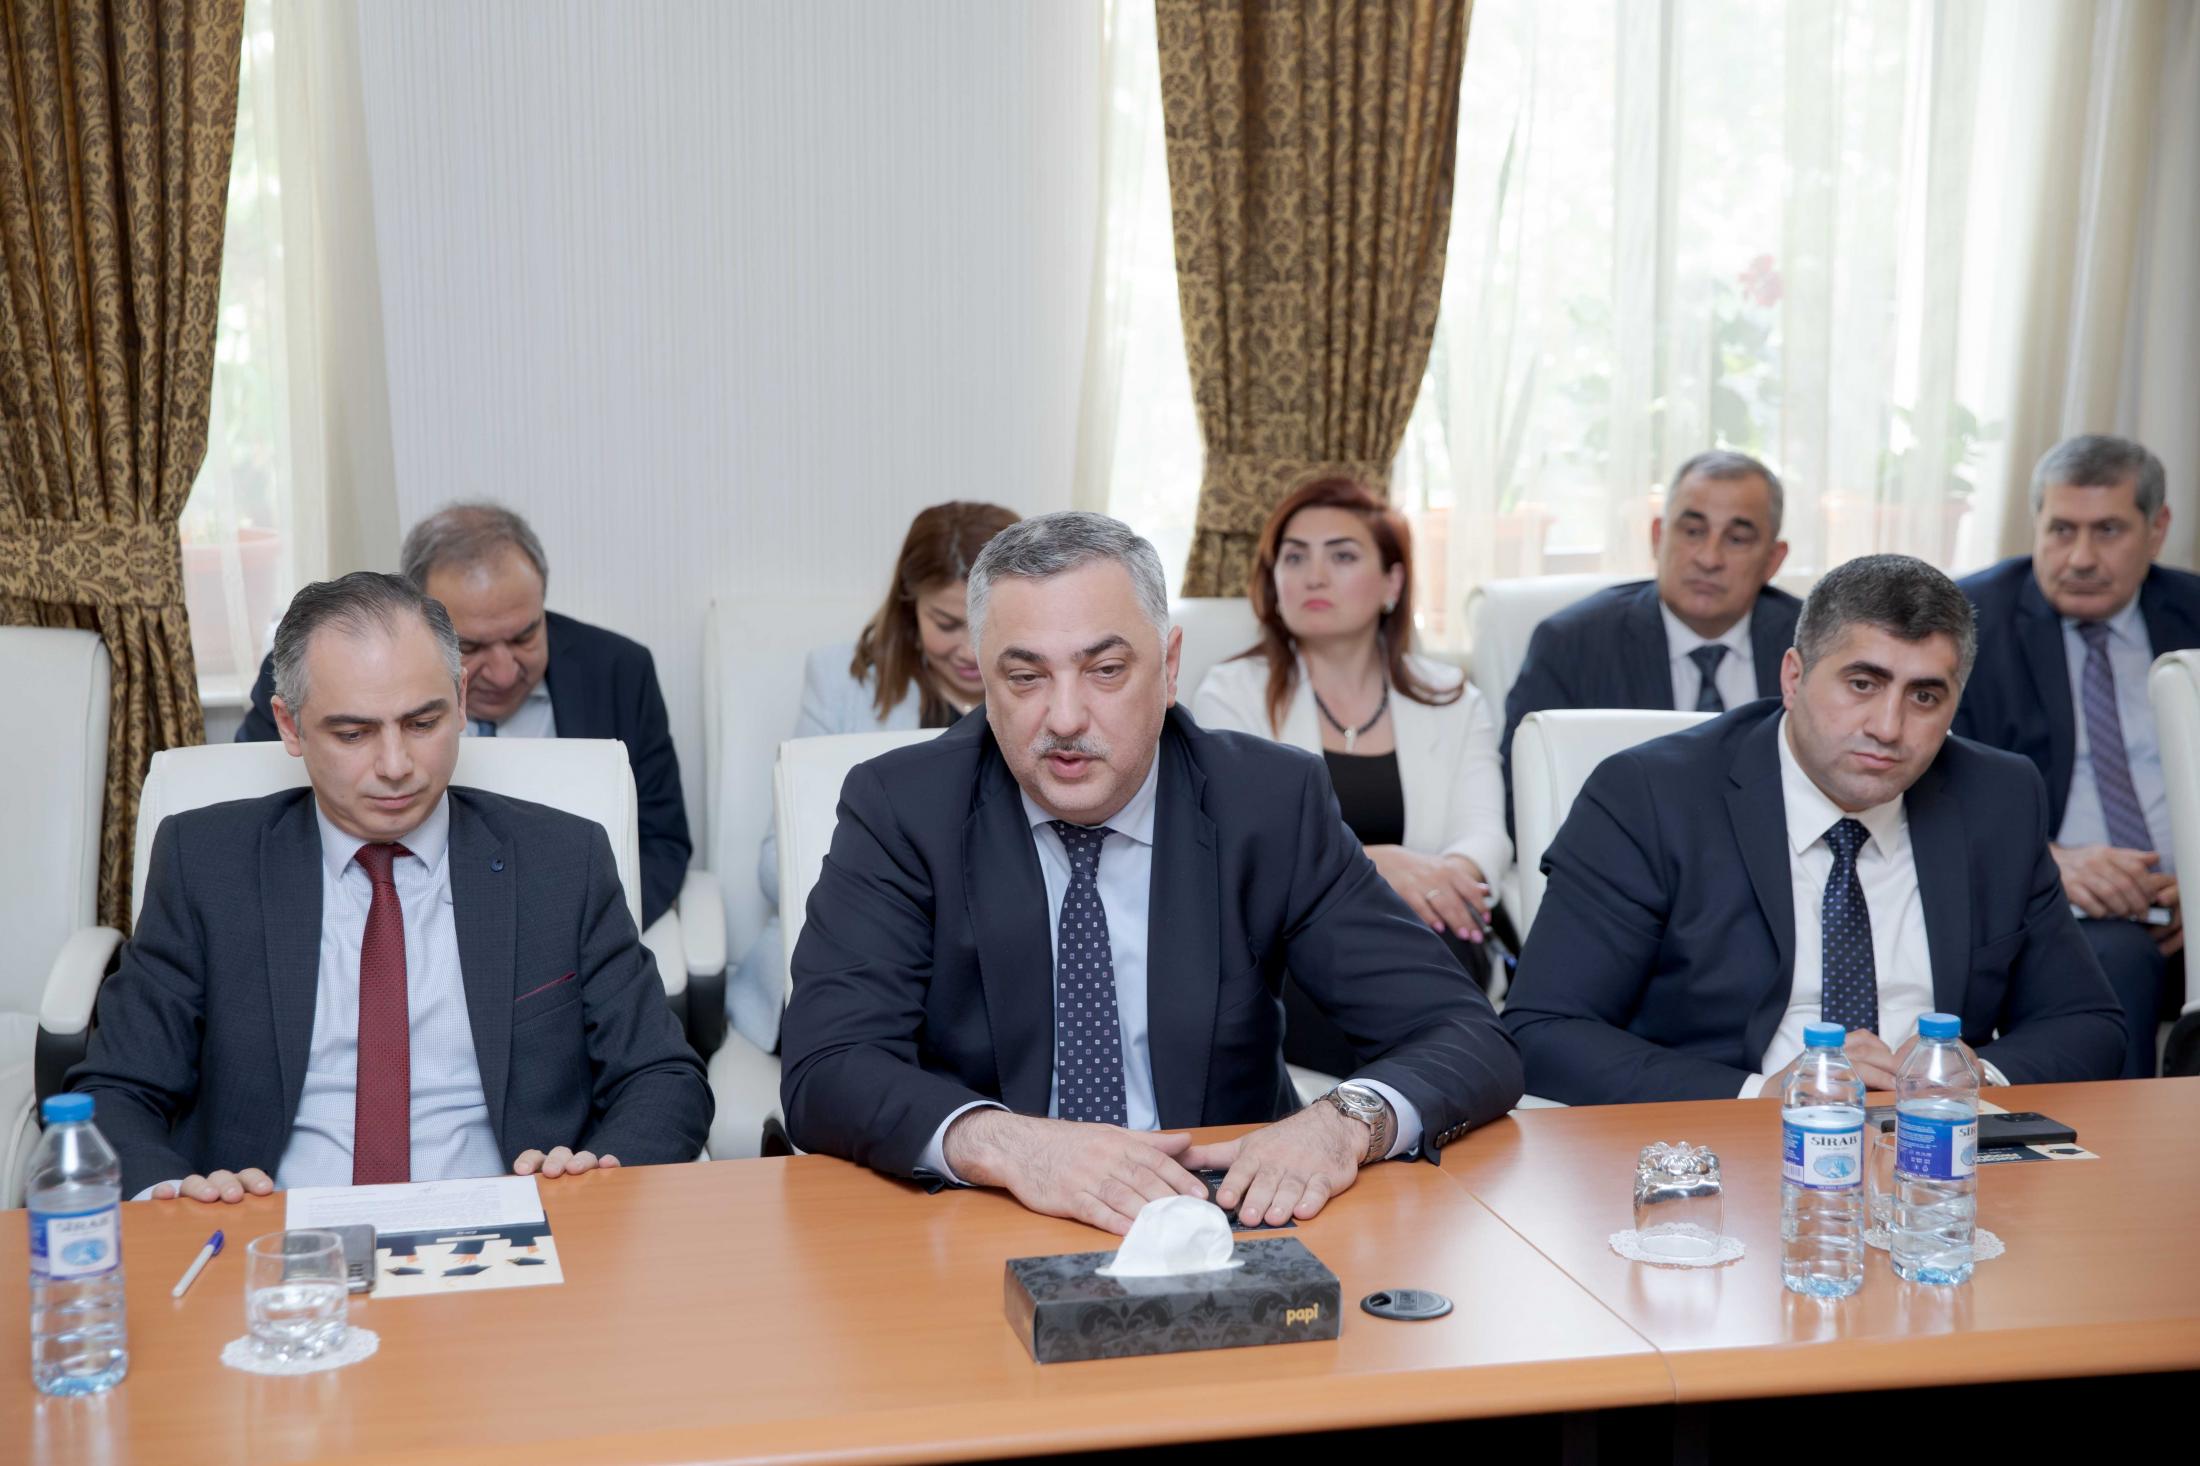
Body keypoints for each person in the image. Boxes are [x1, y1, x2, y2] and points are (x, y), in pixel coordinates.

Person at [780, 512, 1522, 1234]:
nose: (1064, 718)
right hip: (989, 1215)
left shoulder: (1267, 803)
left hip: (1228, 1215)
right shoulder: (905, 807)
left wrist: (1342, 1123)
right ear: (986, 680)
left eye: (1105, 670)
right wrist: (1010, 1146)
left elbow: (1463, 1034)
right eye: (1025, 676)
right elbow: (829, 1064)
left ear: (1168, 668)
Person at [70, 572, 712, 1202]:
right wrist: (178, 1196)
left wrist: (596, 1179)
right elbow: (115, 1091)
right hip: (271, 1234)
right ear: (289, 725)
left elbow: (664, 1076)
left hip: (507, 1229)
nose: (397, 766)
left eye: (423, 723)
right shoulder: (206, 863)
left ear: (461, 700)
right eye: (353, 734)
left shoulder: (562, 860)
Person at [1502, 554, 2124, 1106]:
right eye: (1863, 684)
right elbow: (1544, 1030)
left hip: (1936, 1151)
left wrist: (1972, 1073)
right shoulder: (1649, 796)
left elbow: (2086, 1021)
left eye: (1924, 697)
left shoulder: (1997, 797)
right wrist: (1762, 1096)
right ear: (1793, 677)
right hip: (1726, 1149)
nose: (1888, 727)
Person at [236, 503, 692, 929]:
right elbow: (256, 828)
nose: (504, 671)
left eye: (524, 636)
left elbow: (660, 843)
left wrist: (578, 928)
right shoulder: (315, 681)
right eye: (471, 646)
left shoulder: (619, 671)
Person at [1193, 477, 1510, 1066]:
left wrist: (1443, 881)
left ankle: (1407, 1098)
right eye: (1295, 557)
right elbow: (1244, 846)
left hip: (1428, 928)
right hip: (1288, 943)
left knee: (1438, 944)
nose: (1314, 576)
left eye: (1341, 556)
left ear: (1392, 583)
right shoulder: (1230, 693)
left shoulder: (1452, 697)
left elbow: (1485, 834)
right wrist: (1378, 865)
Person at [727, 501, 1020, 1051]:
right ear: (910, 605)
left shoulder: (1047, 695)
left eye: (986, 623)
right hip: (856, 952)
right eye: (946, 623)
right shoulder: (843, 682)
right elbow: (776, 866)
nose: (968, 649)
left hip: (992, 975)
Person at [1954, 435, 2197, 1077]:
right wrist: (2049, 859)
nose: (2081, 558)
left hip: (2188, 896)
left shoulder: (2192, 613)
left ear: (2157, 529)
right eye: (2062, 530)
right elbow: (1934, 785)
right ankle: (2129, 1140)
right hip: (2062, 906)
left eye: (2108, 530)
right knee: (2113, 962)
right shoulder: (1969, 621)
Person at [1501, 451, 1803, 825]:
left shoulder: (1813, 647)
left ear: (1773, 560)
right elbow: (1526, 800)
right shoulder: (1573, 644)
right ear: (1658, 537)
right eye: (1692, 532)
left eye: (1737, 539)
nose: (1709, 558)